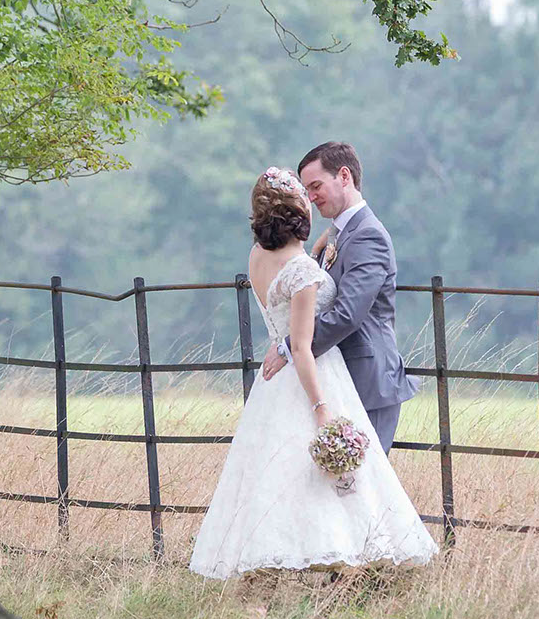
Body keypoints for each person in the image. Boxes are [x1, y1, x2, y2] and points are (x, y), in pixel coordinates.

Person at [187, 167, 438, 579]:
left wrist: (326, 243)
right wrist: (320, 404)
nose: (312, 199)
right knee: (332, 476)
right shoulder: (302, 270)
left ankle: (290, 567)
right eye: (305, 195)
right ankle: (346, 565)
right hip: (315, 372)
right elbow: (303, 343)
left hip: (275, 385)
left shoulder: (259, 257)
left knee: (278, 477)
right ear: (296, 210)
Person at [261, 140, 418, 451]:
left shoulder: (368, 235)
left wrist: (289, 347)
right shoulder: (338, 233)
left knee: (363, 486)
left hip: (367, 379)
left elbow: (348, 314)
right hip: (339, 377)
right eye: (306, 190)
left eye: (316, 186)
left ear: (344, 176)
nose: (311, 197)